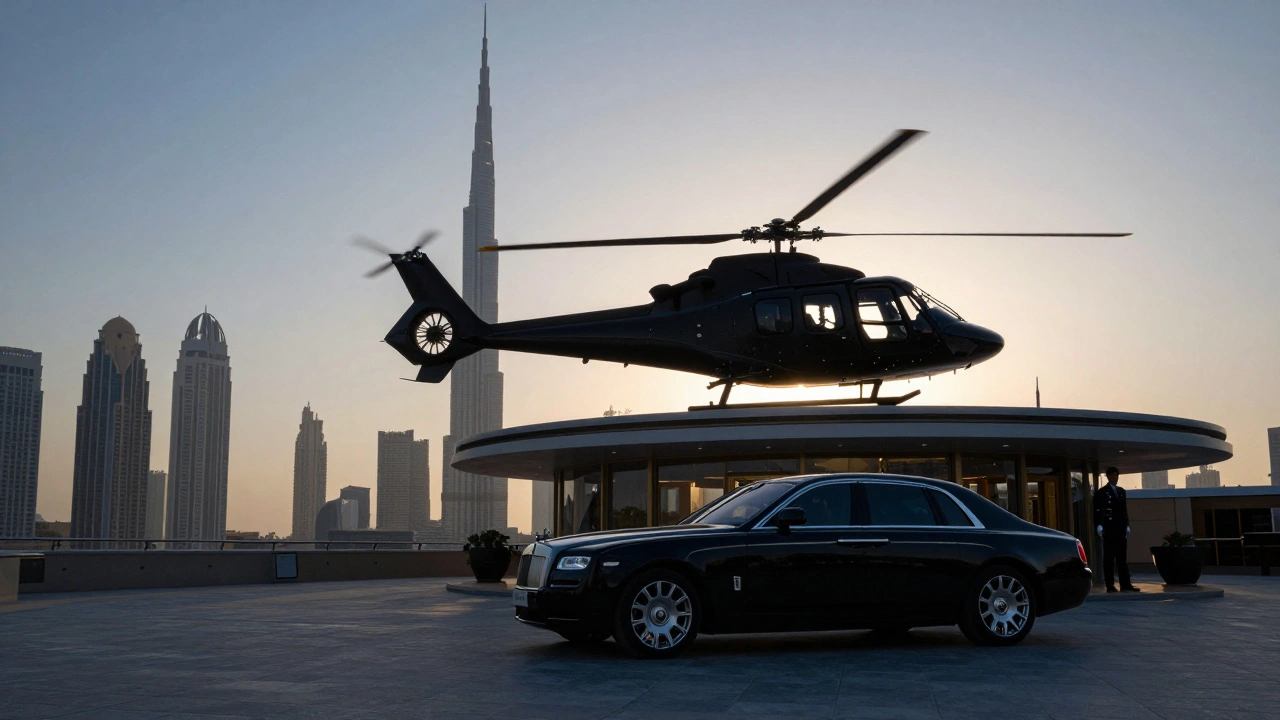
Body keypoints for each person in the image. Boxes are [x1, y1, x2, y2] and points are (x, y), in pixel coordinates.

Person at [1093, 467, 1141, 593]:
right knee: (1109, 558)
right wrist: (1099, 525)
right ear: (1108, 476)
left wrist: (1127, 525)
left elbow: (1124, 510)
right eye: (1113, 475)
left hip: (1120, 528)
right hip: (1109, 528)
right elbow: (1098, 510)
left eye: (1116, 475)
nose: (1115, 478)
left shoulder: (1121, 491)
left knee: (1122, 558)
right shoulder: (1102, 492)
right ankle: (1110, 585)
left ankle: (1125, 584)